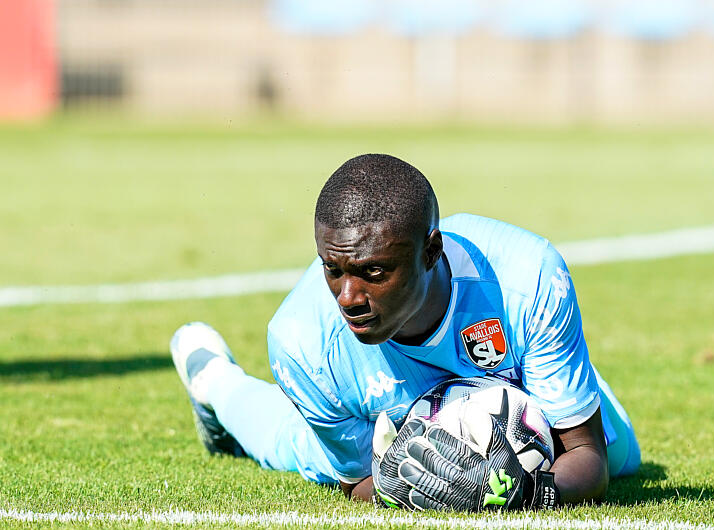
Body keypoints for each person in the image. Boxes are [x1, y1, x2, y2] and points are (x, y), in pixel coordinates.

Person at [170, 154, 640, 509]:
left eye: (374, 271)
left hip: (528, 390)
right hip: (383, 422)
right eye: (332, 268)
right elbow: (360, 480)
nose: (348, 297)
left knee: (623, 458)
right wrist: (423, 487)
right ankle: (212, 379)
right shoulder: (303, 341)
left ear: (432, 252)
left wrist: (526, 494)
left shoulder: (527, 276)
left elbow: (587, 454)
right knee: (290, 441)